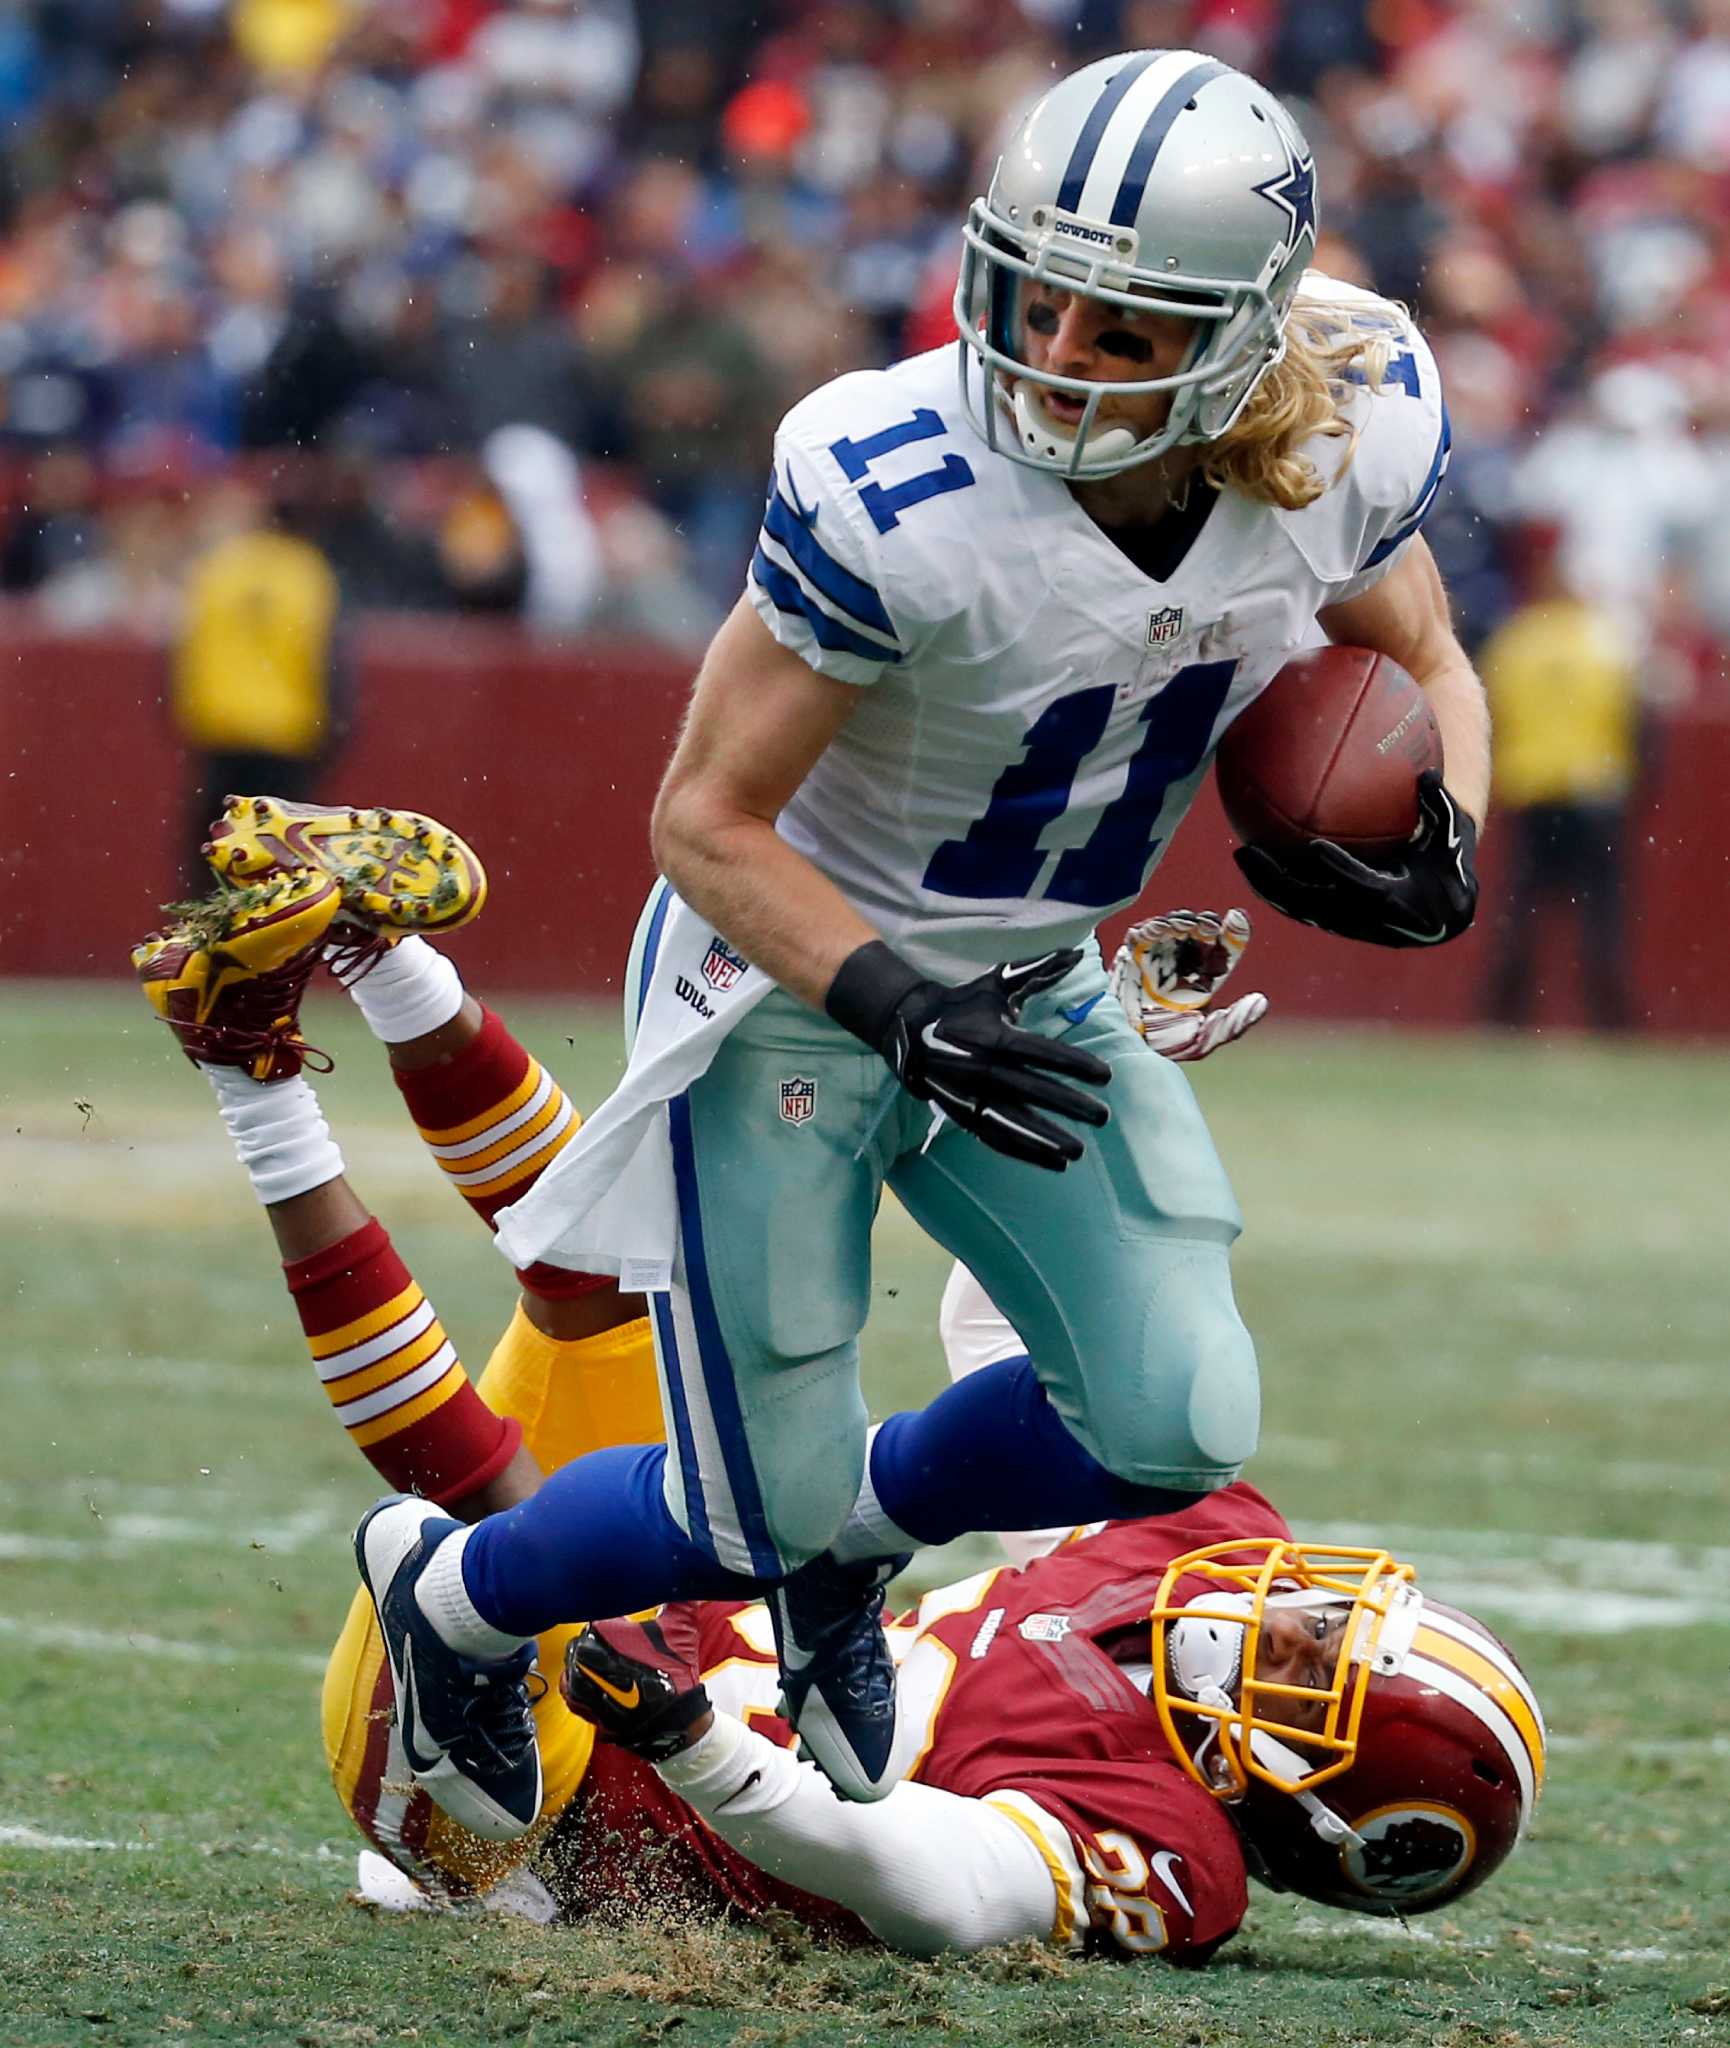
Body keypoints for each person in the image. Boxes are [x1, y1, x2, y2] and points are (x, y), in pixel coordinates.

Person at [339, 47, 1493, 1825]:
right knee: (736, 1514)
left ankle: (844, 1539)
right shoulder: (898, 487)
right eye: (1041, 294)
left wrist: (1447, 833)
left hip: (1032, 978)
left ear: (1249, 336)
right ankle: (446, 1597)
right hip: (791, 991)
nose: (1056, 352)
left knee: (1175, 1419)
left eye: (1127, 330)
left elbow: (1418, 657)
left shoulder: (1343, 418)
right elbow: (701, 823)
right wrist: (889, 999)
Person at [131, 822, 1539, 1960]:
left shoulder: (1167, 1847)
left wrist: (694, 1751)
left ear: (1312, 1805)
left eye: (1307, 1673)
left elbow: (928, 1886)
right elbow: (1023, 1340)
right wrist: (1105, 1091)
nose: (1281, 1617)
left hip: (537, 1817)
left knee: (500, 1500)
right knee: (605, 1292)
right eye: (1321, 1622)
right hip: (700, 1596)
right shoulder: (1209, 1555)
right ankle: (372, 955)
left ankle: (253, 1075)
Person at [1478, 526, 1645, 1033]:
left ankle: (1505, 1016)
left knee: (1521, 914)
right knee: (1602, 917)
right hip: (1594, 792)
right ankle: (1608, 1018)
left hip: (1533, 791)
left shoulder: (1517, 639)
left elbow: (1488, 712)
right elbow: (1634, 719)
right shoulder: (1609, 639)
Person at [170, 492, 349, 885]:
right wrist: (336, 731)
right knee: (281, 863)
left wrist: (185, 716)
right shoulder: (307, 573)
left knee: (212, 853)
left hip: (222, 731)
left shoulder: (221, 567)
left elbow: (186, 648)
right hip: (286, 736)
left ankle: (202, 939)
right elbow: (327, 660)